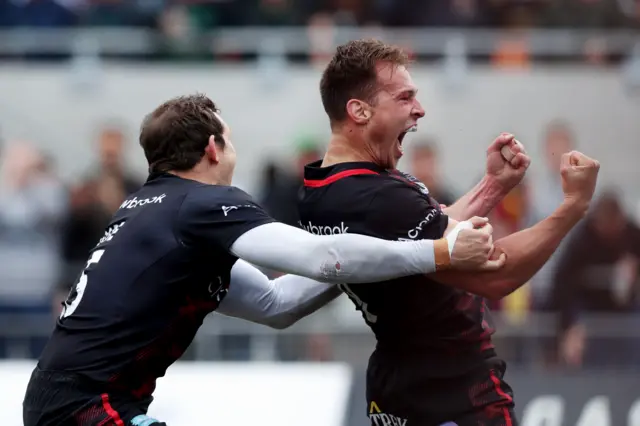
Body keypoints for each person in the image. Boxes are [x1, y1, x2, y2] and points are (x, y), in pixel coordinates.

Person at [22, 94, 503, 426]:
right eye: (229, 138)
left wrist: (415, 237)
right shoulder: (202, 205)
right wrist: (437, 252)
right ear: (213, 148)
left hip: (65, 399)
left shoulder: (156, 210)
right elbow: (323, 258)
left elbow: (277, 303)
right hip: (87, 405)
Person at [297, 39, 600, 426]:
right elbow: (496, 275)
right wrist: (574, 206)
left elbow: (417, 240)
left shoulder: (321, 191)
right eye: (405, 97)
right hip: (454, 388)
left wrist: (491, 187)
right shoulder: (378, 196)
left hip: (396, 381)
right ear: (359, 110)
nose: (419, 109)